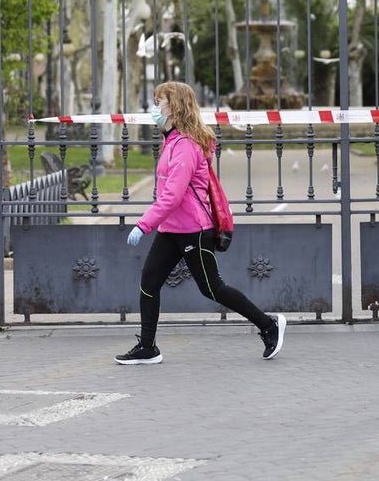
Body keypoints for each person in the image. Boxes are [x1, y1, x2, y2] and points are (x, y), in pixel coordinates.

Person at [115, 81, 286, 364]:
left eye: (160, 102)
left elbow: (172, 196)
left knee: (212, 288)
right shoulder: (171, 142)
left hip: (194, 230)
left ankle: (269, 325)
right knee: (149, 282)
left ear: (176, 107)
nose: (155, 108)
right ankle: (148, 347)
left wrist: (143, 225)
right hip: (172, 228)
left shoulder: (185, 146)